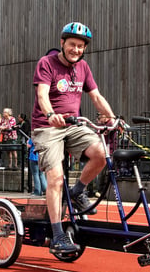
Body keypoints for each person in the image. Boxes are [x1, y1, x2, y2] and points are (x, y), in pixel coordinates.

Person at [31, 21, 116, 256]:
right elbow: (42, 94)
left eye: (80, 46)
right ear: (62, 43)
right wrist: (50, 115)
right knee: (56, 179)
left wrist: (113, 118)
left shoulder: (84, 68)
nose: (76, 50)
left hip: (74, 125)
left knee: (101, 152)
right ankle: (57, 235)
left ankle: (78, 191)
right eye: (72, 45)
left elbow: (96, 97)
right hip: (47, 127)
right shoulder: (46, 63)